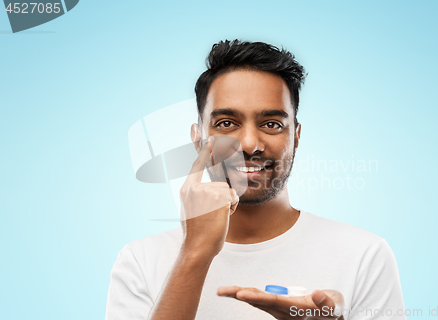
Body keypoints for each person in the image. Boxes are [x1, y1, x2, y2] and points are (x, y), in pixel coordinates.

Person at [105, 39, 406, 320]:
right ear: (197, 138)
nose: (249, 144)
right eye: (226, 123)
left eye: (272, 124)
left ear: (296, 136)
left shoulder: (363, 255)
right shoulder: (140, 261)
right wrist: (194, 253)